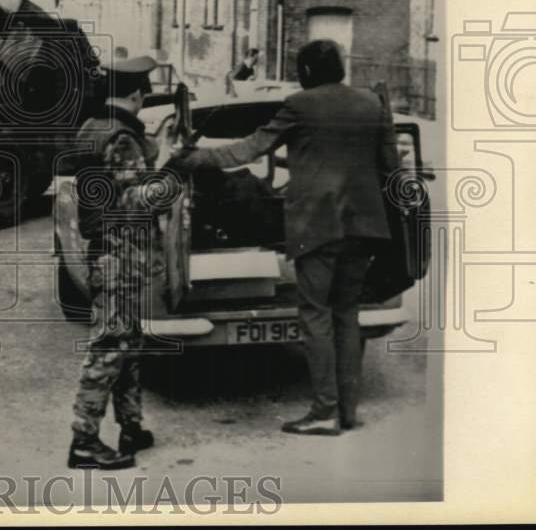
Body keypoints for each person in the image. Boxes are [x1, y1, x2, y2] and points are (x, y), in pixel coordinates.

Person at [167, 39, 401, 436]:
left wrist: (194, 159)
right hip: (364, 228)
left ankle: (324, 412)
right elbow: (391, 167)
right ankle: (348, 410)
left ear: (306, 72)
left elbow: (246, 151)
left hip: (318, 228)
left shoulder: (300, 105)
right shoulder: (372, 105)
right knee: (347, 315)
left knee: (315, 315)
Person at [68, 55, 169, 470]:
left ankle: (131, 426)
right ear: (137, 94)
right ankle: (84, 442)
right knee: (110, 347)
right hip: (120, 251)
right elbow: (133, 200)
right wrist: (170, 178)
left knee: (127, 342)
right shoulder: (122, 139)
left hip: (109, 250)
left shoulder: (94, 128)